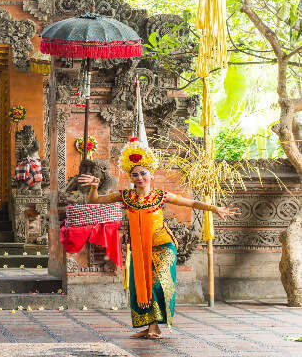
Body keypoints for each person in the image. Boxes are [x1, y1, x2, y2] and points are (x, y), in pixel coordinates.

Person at [77, 137, 238, 339]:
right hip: (139, 247)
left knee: (157, 283)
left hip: (163, 245)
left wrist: (215, 208)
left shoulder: (161, 196)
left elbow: (191, 203)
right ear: (131, 177)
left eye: (143, 173)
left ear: (151, 175)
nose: (140, 177)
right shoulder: (126, 196)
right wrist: (94, 186)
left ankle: (156, 326)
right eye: (135, 174)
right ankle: (151, 326)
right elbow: (95, 200)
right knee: (140, 285)